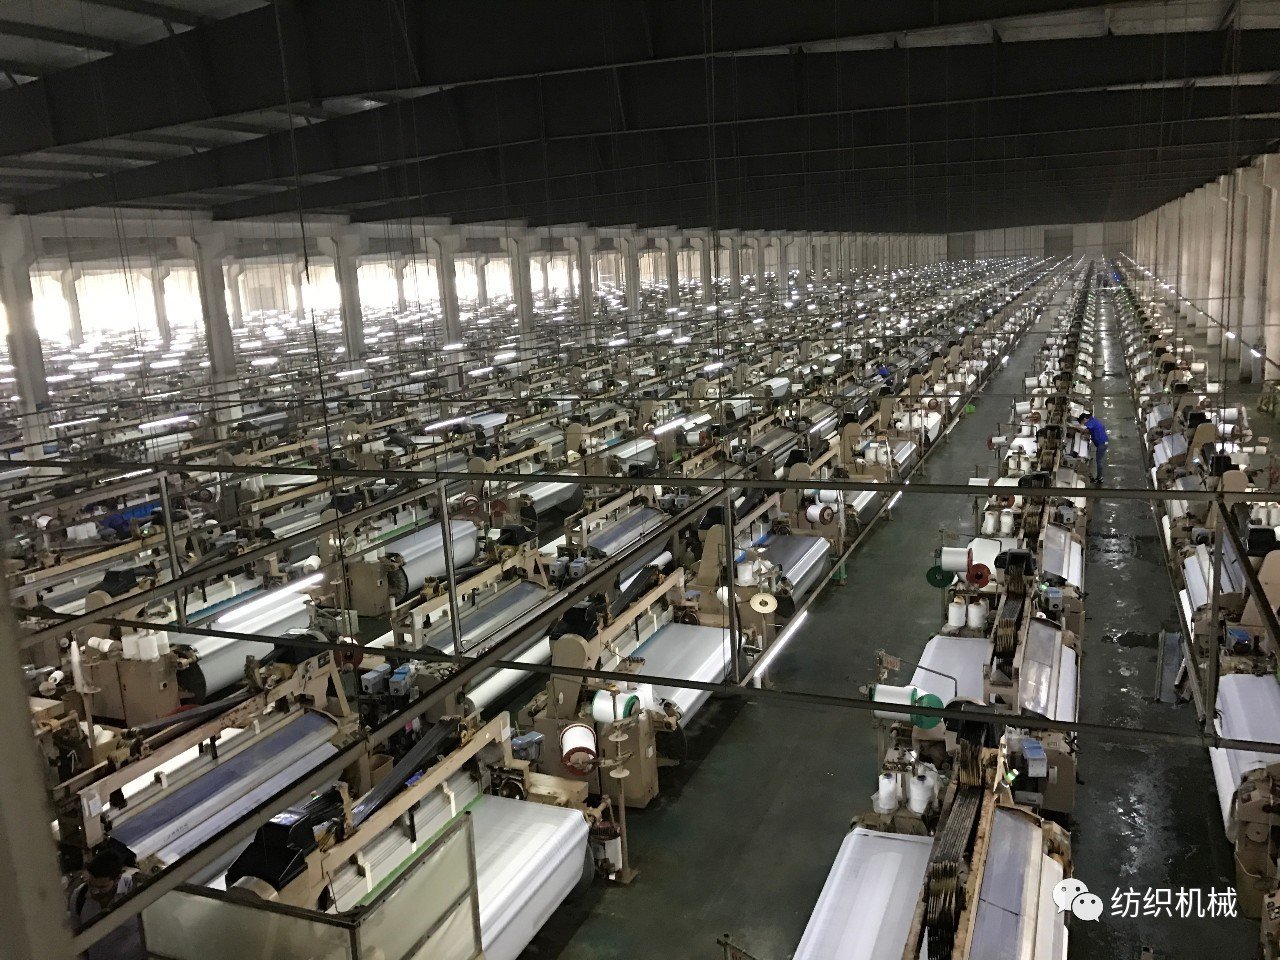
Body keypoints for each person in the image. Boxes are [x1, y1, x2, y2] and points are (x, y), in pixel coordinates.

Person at [68, 850, 145, 960]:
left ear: (117, 879)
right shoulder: (79, 897)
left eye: (102, 887)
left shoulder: (135, 892)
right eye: (91, 885)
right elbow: (76, 938)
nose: (94, 891)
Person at [1077, 412, 1108, 486]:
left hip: (1102, 444)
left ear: (1085, 419)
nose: (1084, 424)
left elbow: (1083, 429)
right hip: (1103, 442)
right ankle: (1099, 477)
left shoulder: (1091, 422)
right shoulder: (1094, 420)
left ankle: (1100, 478)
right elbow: (1089, 431)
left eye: (1083, 422)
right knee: (1099, 461)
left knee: (1099, 461)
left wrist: (1072, 426)